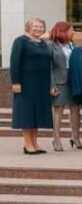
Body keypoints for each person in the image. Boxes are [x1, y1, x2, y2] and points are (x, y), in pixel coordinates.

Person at [10, 19, 53, 154]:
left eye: (41, 26)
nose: (38, 29)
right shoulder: (20, 41)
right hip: (26, 83)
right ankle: (28, 144)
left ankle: (35, 143)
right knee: (27, 113)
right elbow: (14, 62)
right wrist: (16, 82)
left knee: (37, 113)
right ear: (28, 27)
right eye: (35, 26)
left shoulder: (43, 43)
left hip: (42, 84)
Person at [47, 21, 79, 151]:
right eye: (71, 30)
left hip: (74, 80)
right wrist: (51, 85)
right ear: (63, 31)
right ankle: (56, 139)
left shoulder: (73, 45)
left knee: (75, 108)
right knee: (58, 110)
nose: (73, 32)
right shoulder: (51, 45)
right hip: (59, 81)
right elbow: (49, 67)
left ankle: (75, 137)